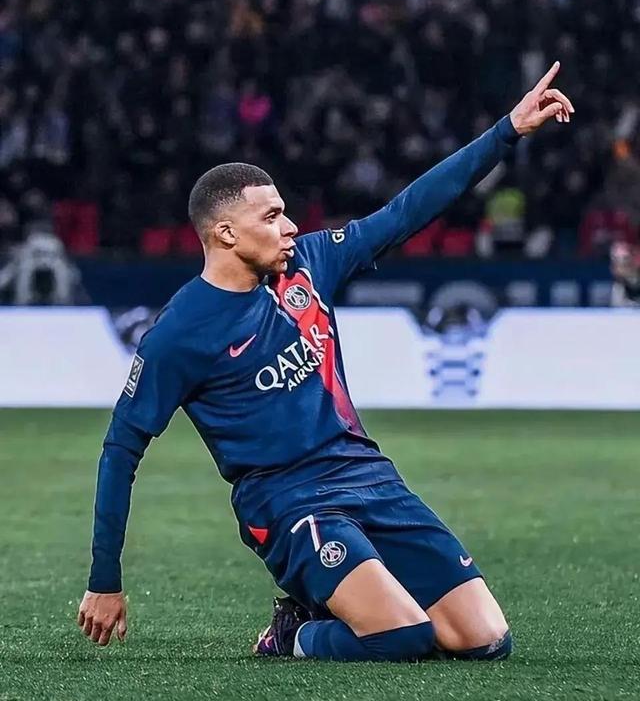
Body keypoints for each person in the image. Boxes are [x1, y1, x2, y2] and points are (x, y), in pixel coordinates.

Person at [78, 63, 573, 661]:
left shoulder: (309, 265)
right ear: (226, 234)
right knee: (405, 637)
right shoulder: (179, 335)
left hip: (369, 476)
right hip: (289, 502)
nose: (290, 227)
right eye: (271, 218)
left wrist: (507, 131)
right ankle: (294, 634)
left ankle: (342, 608)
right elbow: (121, 448)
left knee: (486, 641)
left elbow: (406, 211)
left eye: (284, 212)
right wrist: (105, 579)